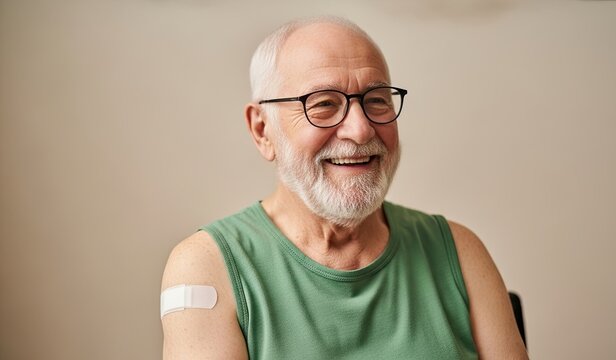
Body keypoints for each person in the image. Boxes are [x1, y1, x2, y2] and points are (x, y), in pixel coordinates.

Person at [161, 16, 528, 360]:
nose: (361, 130)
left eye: (377, 100)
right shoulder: (206, 266)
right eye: (322, 104)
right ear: (262, 130)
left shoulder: (460, 252)